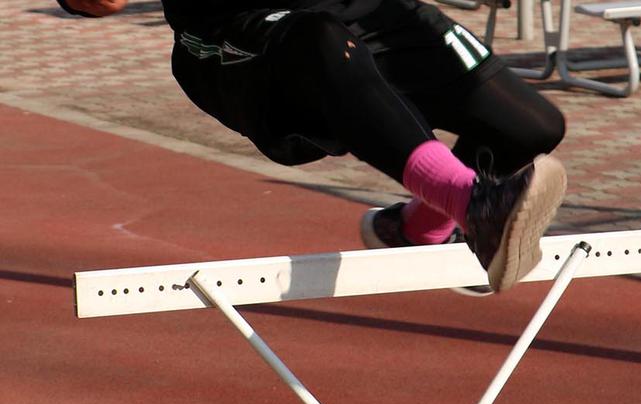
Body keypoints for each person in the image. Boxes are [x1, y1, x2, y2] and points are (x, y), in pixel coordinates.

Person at [58, 0, 568, 293]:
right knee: (320, 38)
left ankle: (417, 230)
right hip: (241, 36)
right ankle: (473, 204)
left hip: (364, 9)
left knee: (529, 127)